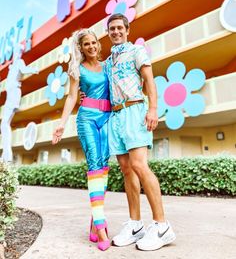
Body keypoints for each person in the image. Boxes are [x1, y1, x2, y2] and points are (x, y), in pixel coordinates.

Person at [105, 13, 176, 251]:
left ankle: (162, 226)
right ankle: (136, 225)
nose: (115, 31)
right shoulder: (108, 61)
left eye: (119, 28)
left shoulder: (137, 51)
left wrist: (153, 109)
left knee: (139, 165)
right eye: (111, 29)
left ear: (127, 30)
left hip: (135, 110)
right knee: (126, 169)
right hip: (115, 116)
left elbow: (150, 80)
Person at [52, 29, 111, 251]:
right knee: (95, 165)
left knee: (104, 168)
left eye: (94, 42)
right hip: (87, 118)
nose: (92, 47)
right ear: (81, 47)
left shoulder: (108, 66)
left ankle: (95, 220)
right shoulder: (77, 70)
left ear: (98, 43)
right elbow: (71, 97)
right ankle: (101, 225)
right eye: (86, 44)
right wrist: (61, 123)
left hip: (107, 119)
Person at [0, 43, 38, 162]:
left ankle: (7, 156)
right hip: (9, 94)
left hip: (14, 93)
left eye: (19, 51)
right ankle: (6, 154)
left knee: (5, 123)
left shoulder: (20, 62)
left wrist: (34, 69)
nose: (17, 53)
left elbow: (24, 70)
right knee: (3, 124)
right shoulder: (12, 65)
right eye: (16, 51)